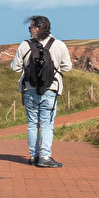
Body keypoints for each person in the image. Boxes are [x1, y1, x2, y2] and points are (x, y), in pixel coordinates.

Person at [9, 15, 72, 168]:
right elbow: (67, 67)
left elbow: (15, 68)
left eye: (30, 27)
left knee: (32, 124)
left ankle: (34, 156)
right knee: (47, 123)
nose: (29, 30)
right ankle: (45, 156)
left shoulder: (25, 45)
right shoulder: (59, 45)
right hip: (50, 89)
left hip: (30, 89)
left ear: (37, 28)